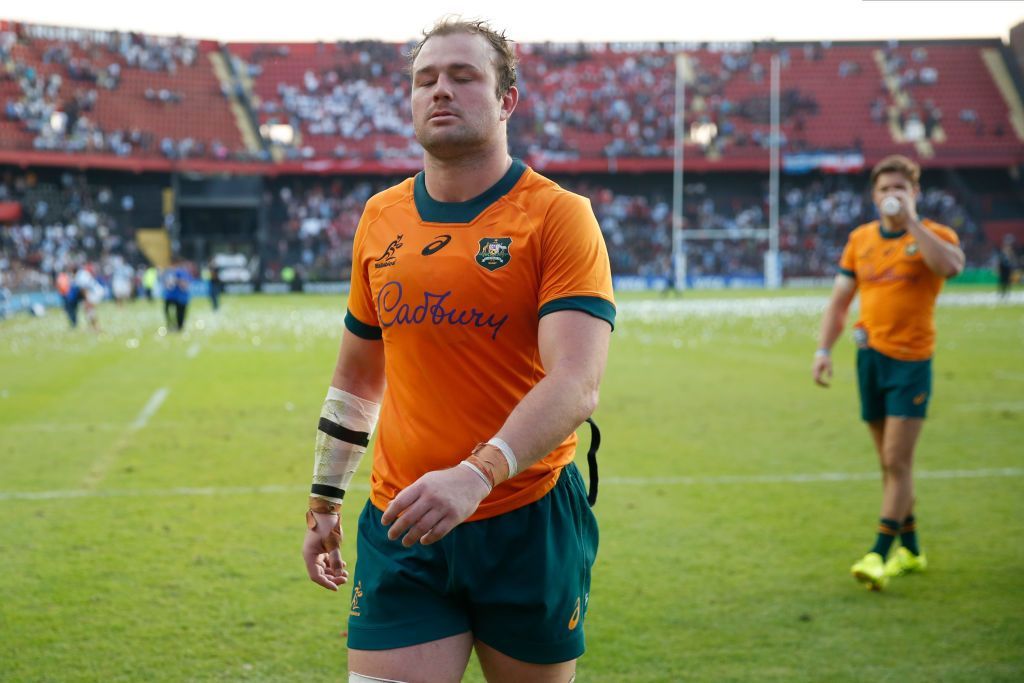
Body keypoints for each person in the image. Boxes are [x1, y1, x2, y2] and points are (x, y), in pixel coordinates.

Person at [300, 18, 615, 682]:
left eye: (463, 76)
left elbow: (577, 381)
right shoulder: (381, 218)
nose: (440, 90)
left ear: (507, 100)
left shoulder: (559, 216)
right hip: (402, 519)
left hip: (525, 516)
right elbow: (357, 377)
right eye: (425, 79)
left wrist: (477, 474)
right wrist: (325, 498)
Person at [812, 155, 964, 591]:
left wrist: (912, 222)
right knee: (889, 462)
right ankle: (912, 549)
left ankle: (879, 554)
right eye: (884, 190)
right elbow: (840, 301)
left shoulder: (934, 236)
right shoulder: (860, 239)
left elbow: (951, 266)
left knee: (897, 461)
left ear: (914, 193)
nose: (891, 196)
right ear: (874, 196)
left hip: (911, 362)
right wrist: (824, 349)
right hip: (870, 359)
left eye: (900, 188)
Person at [161, 260, 191, 331]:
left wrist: (176, 281)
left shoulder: (181, 272)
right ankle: (172, 325)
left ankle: (178, 326)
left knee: (180, 313)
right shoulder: (169, 272)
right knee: (171, 311)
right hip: (172, 296)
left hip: (180, 297)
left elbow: (185, 284)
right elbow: (165, 283)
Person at [995, 234, 1018, 300]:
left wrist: (1013, 268)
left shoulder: (1010, 253)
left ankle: (1007, 293)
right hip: (1003, 269)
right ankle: (1001, 293)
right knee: (1002, 281)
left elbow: (1012, 261)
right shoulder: (1002, 253)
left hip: (1007, 269)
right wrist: (998, 268)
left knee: (1007, 282)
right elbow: (999, 262)